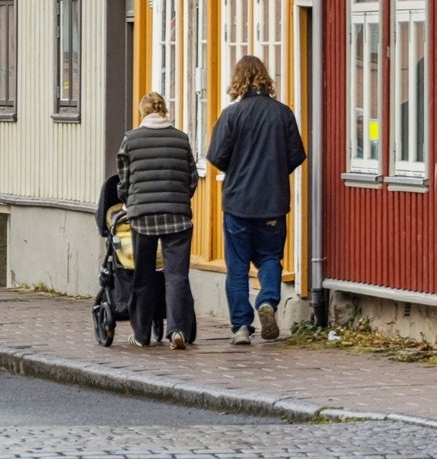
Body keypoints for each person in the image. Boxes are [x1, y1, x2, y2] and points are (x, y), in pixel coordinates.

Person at [206, 55, 307, 345]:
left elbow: (217, 157)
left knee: (237, 266)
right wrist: (274, 173)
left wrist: (238, 170)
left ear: (238, 80)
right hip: (272, 202)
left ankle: (241, 326)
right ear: (265, 79)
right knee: (270, 257)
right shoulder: (283, 114)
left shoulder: (231, 115)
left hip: (238, 202)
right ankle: (267, 302)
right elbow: (295, 156)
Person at [118, 92, 198, 350]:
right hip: (178, 217)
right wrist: (179, 199)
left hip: (143, 217)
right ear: (164, 110)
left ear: (142, 112)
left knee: (143, 276)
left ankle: (141, 335)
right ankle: (177, 331)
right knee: (177, 276)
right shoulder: (181, 139)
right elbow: (192, 179)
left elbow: (124, 181)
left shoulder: (130, 140)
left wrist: (128, 201)